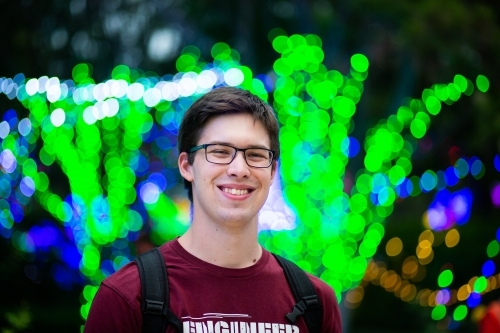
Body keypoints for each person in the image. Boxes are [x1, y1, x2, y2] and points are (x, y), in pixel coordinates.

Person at [84, 87, 342, 333]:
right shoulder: (127, 297)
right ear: (186, 165)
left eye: (255, 155)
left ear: (273, 171)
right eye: (219, 152)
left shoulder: (314, 301)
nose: (239, 169)